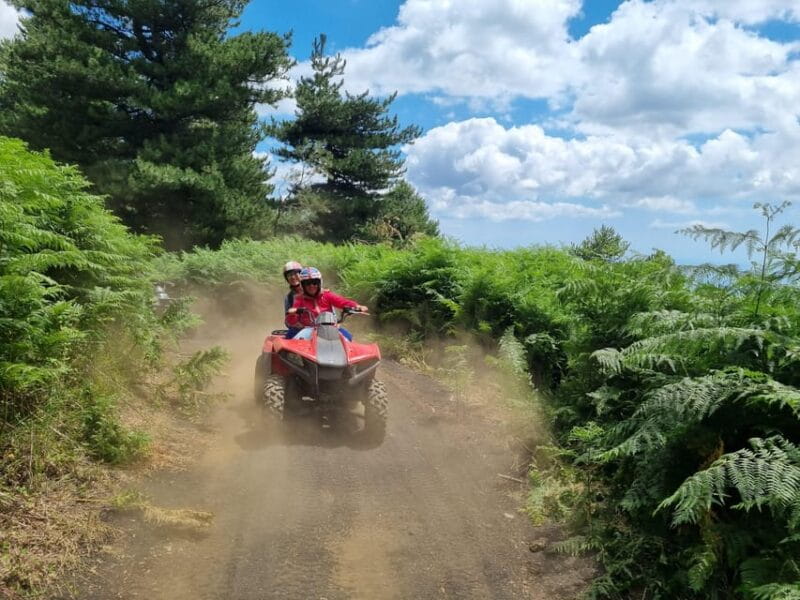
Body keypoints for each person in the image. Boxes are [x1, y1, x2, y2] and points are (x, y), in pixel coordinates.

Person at [286, 267, 368, 340]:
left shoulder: (327, 295)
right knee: (293, 339)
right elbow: (291, 320)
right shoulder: (299, 299)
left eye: (314, 283)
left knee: (348, 337)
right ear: (303, 285)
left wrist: (357, 306)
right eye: (308, 283)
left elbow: (343, 302)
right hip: (309, 329)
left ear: (319, 283)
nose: (311, 286)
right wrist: (292, 313)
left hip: (330, 328)